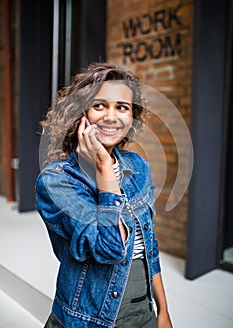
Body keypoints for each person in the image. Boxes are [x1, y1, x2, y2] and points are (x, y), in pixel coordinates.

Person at [36, 63, 173, 328]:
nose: (111, 116)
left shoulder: (138, 167)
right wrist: (104, 173)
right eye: (99, 105)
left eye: (122, 107)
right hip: (88, 317)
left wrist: (163, 310)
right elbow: (110, 248)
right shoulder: (57, 181)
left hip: (142, 310)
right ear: (81, 113)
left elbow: (149, 245)